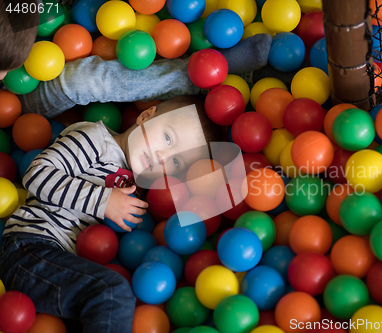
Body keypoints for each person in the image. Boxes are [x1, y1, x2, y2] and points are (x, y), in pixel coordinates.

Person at [0, 95, 219, 332]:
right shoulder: (95, 139)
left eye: (175, 161)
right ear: (146, 116)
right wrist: (104, 201)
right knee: (113, 293)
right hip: (31, 248)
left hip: (63, 267)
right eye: (167, 138)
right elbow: (37, 174)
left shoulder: (140, 188)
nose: (162, 156)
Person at [0, 0, 273, 118]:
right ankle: (203, 75)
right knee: (80, 79)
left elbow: (33, 9)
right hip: (18, 103)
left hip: (47, 48)